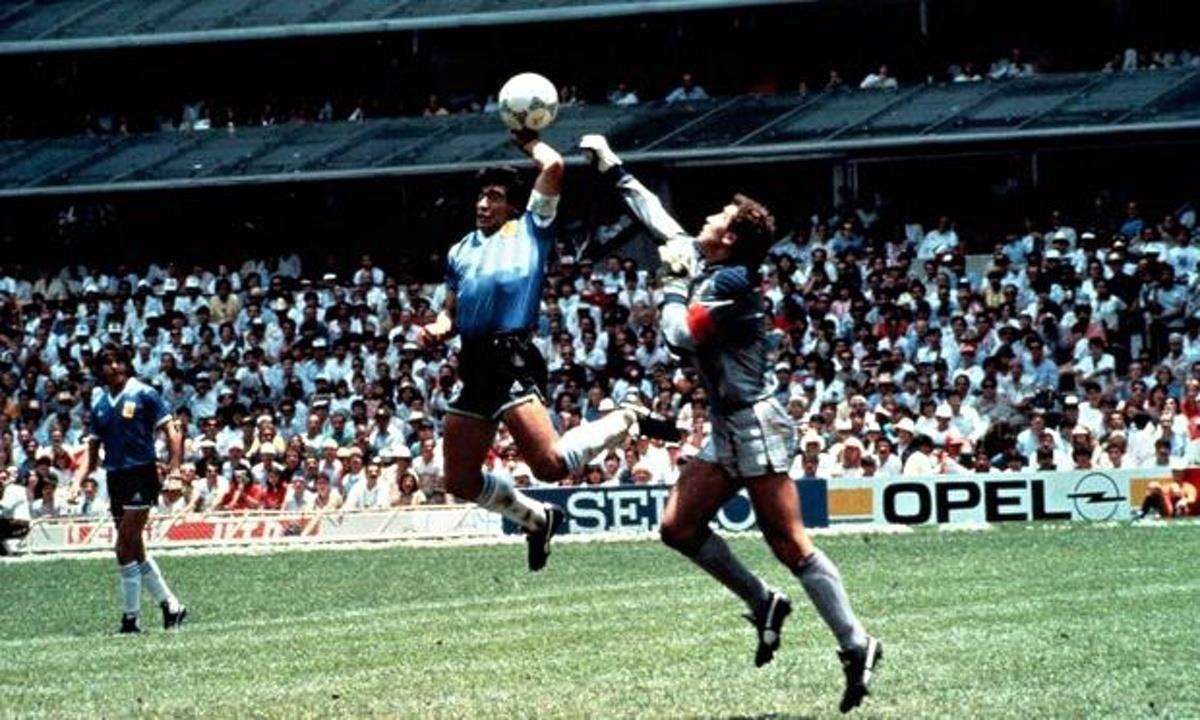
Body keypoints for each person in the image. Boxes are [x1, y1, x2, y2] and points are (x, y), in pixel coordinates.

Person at [579, 134, 880, 713]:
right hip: (729, 428)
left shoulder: (732, 283)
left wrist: (668, 285)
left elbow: (676, 338)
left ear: (732, 237)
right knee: (677, 527)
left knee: (790, 544)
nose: (705, 221)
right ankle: (765, 603)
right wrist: (613, 166)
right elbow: (657, 218)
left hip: (756, 426)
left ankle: (856, 643)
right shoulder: (708, 260)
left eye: (717, 217)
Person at [419, 130, 675, 572]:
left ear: (513, 205)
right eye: (480, 197)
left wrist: (526, 138)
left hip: (512, 354)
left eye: (494, 197)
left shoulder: (531, 229)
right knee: (459, 480)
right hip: (474, 360)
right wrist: (438, 329)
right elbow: (451, 312)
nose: (483, 205)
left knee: (551, 466)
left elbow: (553, 165)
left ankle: (626, 416)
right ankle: (537, 518)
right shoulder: (460, 250)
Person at [71, 345, 187, 634]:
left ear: (126, 364)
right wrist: (75, 483)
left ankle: (130, 618)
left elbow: (172, 430)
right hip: (115, 478)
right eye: (106, 363)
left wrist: (174, 470)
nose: (112, 367)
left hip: (141, 474)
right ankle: (172, 606)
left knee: (123, 547)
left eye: (117, 361)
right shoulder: (99, 403)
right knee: (136, 548)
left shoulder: (144, 393)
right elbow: (92, 448)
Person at [0, 467, 31, 555]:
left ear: (10, 479)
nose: (2, 481)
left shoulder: (13, 489)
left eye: (4, 478)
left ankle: (5, 553)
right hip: (13, 522)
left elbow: (6, 506)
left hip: (20, 523)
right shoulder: (7, 490)